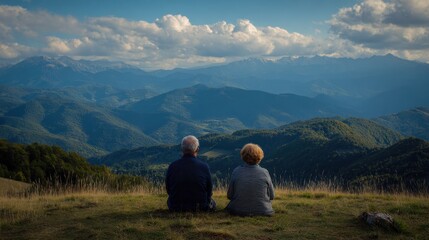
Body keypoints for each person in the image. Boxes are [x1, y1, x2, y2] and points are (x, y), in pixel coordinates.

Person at [166, 135, 216, 212]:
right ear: (197, 149)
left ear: (182, 149)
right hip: (199, 207)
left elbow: (169, 189)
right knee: (213, 203)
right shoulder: (204, 166)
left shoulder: (172, 166)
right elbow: (209, 190)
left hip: (176, 207)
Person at [226, 143, 275, 216]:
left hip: (237, 211)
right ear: (260, 157)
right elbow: (272, 196)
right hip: (264, 211)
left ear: (243, 156)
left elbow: (230, 195)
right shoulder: (265, 172)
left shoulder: (236, 171)